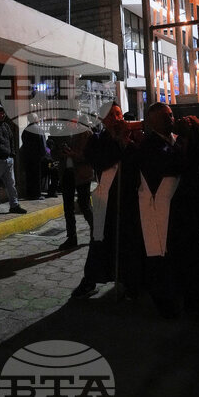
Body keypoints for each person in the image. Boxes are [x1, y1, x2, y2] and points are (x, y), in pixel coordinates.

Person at [136, 102, 199, 318]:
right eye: (165, 117)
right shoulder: (150, 145)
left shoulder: (177, 139)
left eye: (171, 115)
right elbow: (175, 164)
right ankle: (171, 303)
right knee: (170, 261)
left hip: (188, 210)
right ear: (152, 122)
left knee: (193, 259)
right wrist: (186, 138)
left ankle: (195, 300)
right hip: (167, 213)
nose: (171, 120)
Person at [71, 102, 145, 299]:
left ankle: (130, 282)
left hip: (129, 199)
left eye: (118, 114)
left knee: (129, 242)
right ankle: (90, 280)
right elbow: (99, 161)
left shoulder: (133, 137)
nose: (116, 118)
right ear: (103, 120)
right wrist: (116, 143)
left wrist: (126, 142)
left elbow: (140, 162)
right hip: (106, 200)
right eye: (111, 115)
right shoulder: (96, 140)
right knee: (99, 240)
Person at [50, 118, 94, 250]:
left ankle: (95, 232)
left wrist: (73, 154)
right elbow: (54, 154)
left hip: (82, 174)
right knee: (68, 207)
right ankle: (71, 237)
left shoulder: (85, 134)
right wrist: (59, 152)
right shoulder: (60, 135)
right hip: (66, 174)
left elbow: (89, 156)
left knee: (84, 205)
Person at [20, 113, 48, 200]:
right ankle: (37, 194)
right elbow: (43, 145)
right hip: (37, 157)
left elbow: (23, 142)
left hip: (27, 156)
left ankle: (30, 194)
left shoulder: (25, 130)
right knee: (36, 176)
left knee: (29, 176)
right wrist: (44, 155)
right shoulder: (39, 130)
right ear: (36, 119)